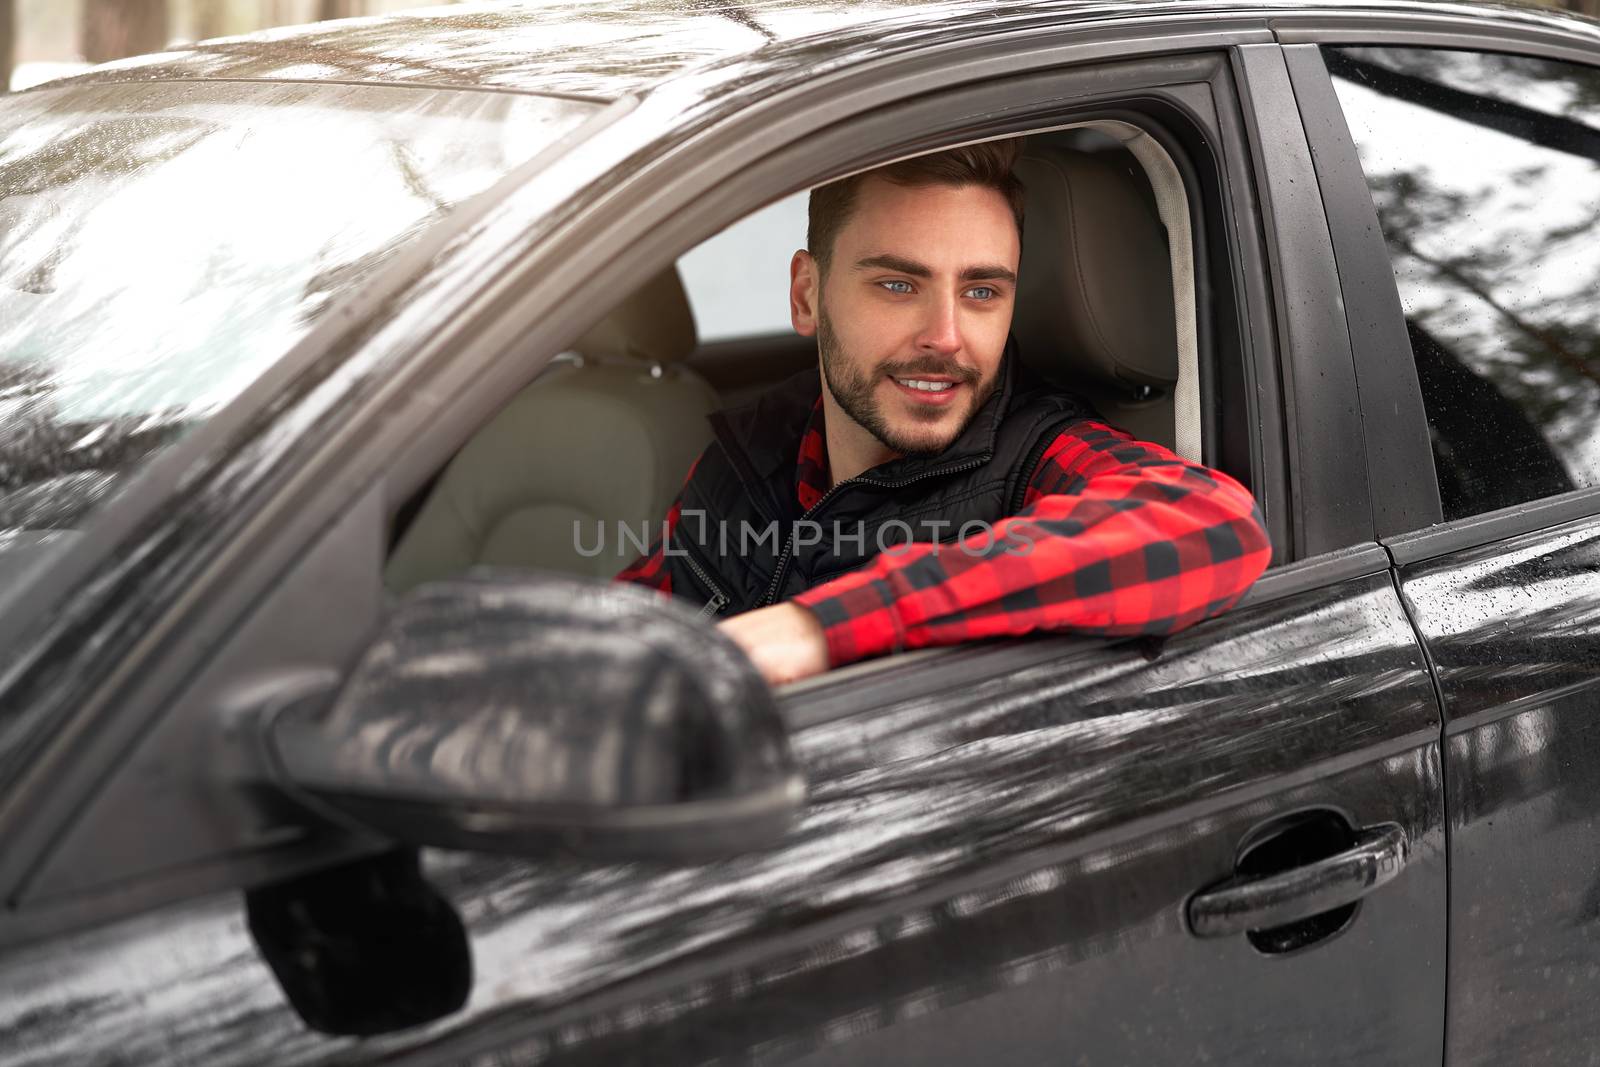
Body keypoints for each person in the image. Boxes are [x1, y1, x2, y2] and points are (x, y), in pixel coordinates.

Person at [618, 139, 1270, 686]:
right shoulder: (750, 450)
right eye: (899, 285)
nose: (947, 336)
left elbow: (1209, 524)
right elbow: (629, 623)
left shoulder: (1034, 459)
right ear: (807, 295)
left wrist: (822, 626)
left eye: (981, 291)